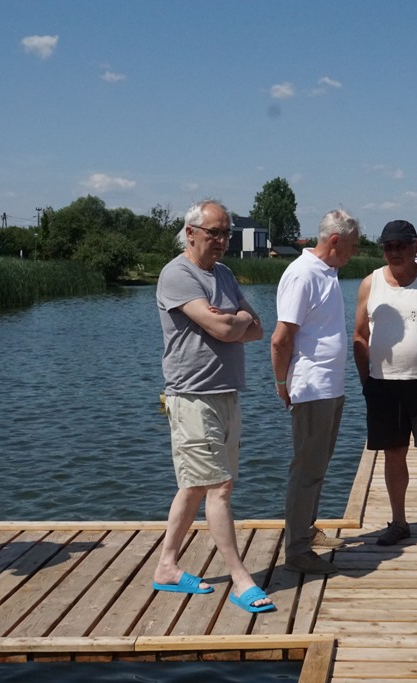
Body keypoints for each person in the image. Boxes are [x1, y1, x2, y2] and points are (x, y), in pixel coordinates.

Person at [153, 199, 274, 613]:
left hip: (226, 392)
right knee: (218, 488)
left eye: (226, 233)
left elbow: (257, 329)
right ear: (191, 233)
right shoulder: (177, 274)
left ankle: (166, 566)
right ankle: (241, 580)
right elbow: (223, 325)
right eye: (214, 233)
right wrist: (232, 321)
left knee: (195, 485)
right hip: (192, 395)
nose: (222, 241)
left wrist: (234, 321)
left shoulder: (223, 274)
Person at [353, 220, 417, 551]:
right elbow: (359, 334)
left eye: (401, 245)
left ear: (415, 247)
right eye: (388, 246)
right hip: (384, 386)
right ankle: (399, 521)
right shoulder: (370, 284)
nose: (394, 252)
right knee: (393, 455)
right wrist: (366, 381)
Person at [271, 209, 361, 575]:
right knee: (306, 469)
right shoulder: (303, 274)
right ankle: (295, 550)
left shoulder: (328, 272)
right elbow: (281, 338)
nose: (355, 252)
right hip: (310, 387)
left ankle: (306, 531)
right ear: (335, 241)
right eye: (353, 246)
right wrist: (281, 383)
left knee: (318, 465)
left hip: (329, 386)